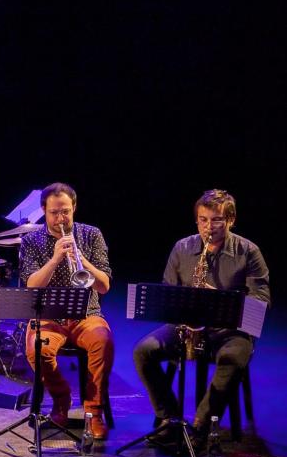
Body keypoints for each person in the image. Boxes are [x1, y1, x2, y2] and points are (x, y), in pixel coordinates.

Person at [133, 189, 269, 441]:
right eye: (203, 220)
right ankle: (169, 418)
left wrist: (219, 299)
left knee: (232, 358)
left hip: (230, 330)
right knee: (143, 351)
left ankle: (200, 426)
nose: (209, 227)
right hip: (186, 326)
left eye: (217, 220)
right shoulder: (182, 248)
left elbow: (262, 301)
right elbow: (168, 291)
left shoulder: (248, 251)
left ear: (230, 220)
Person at [18, 182, 113, 438]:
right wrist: (55, 259)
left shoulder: (91, 234)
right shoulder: (31, 240)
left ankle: (94, 411)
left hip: (87, 314)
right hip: (48, 316)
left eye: (66, 212)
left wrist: (82, 259)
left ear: (74, 208)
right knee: (37, 350)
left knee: (103, 342)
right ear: (43, 211)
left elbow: (104, 286)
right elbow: (31, 285)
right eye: (54, 213)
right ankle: (61, 399)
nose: (61, 218)